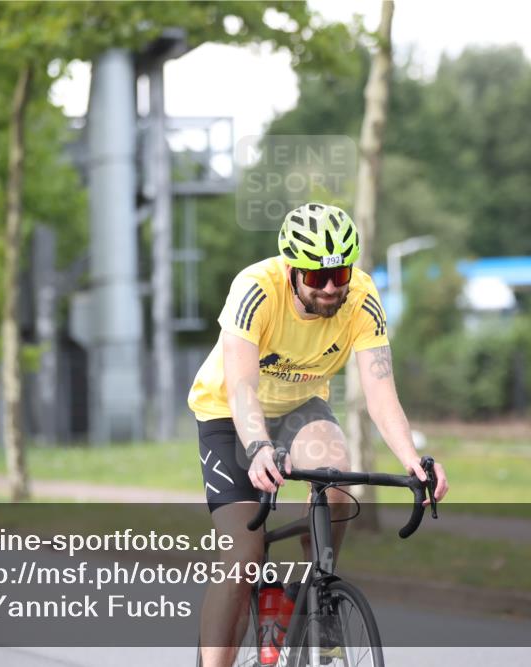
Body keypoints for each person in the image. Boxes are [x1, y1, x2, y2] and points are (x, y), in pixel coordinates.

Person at [189, 202, 449, 666]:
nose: (331, 288)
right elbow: (242, 388)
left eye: (340, 274)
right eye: (316, 278)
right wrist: (259, 448)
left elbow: (380, 393)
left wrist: (414, 460)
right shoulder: (254, 290)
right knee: (243, 558)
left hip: (300, 406)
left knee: (336, 481)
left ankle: (315, 593)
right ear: (291, 270)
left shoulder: (362, 297)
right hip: (229, 414)